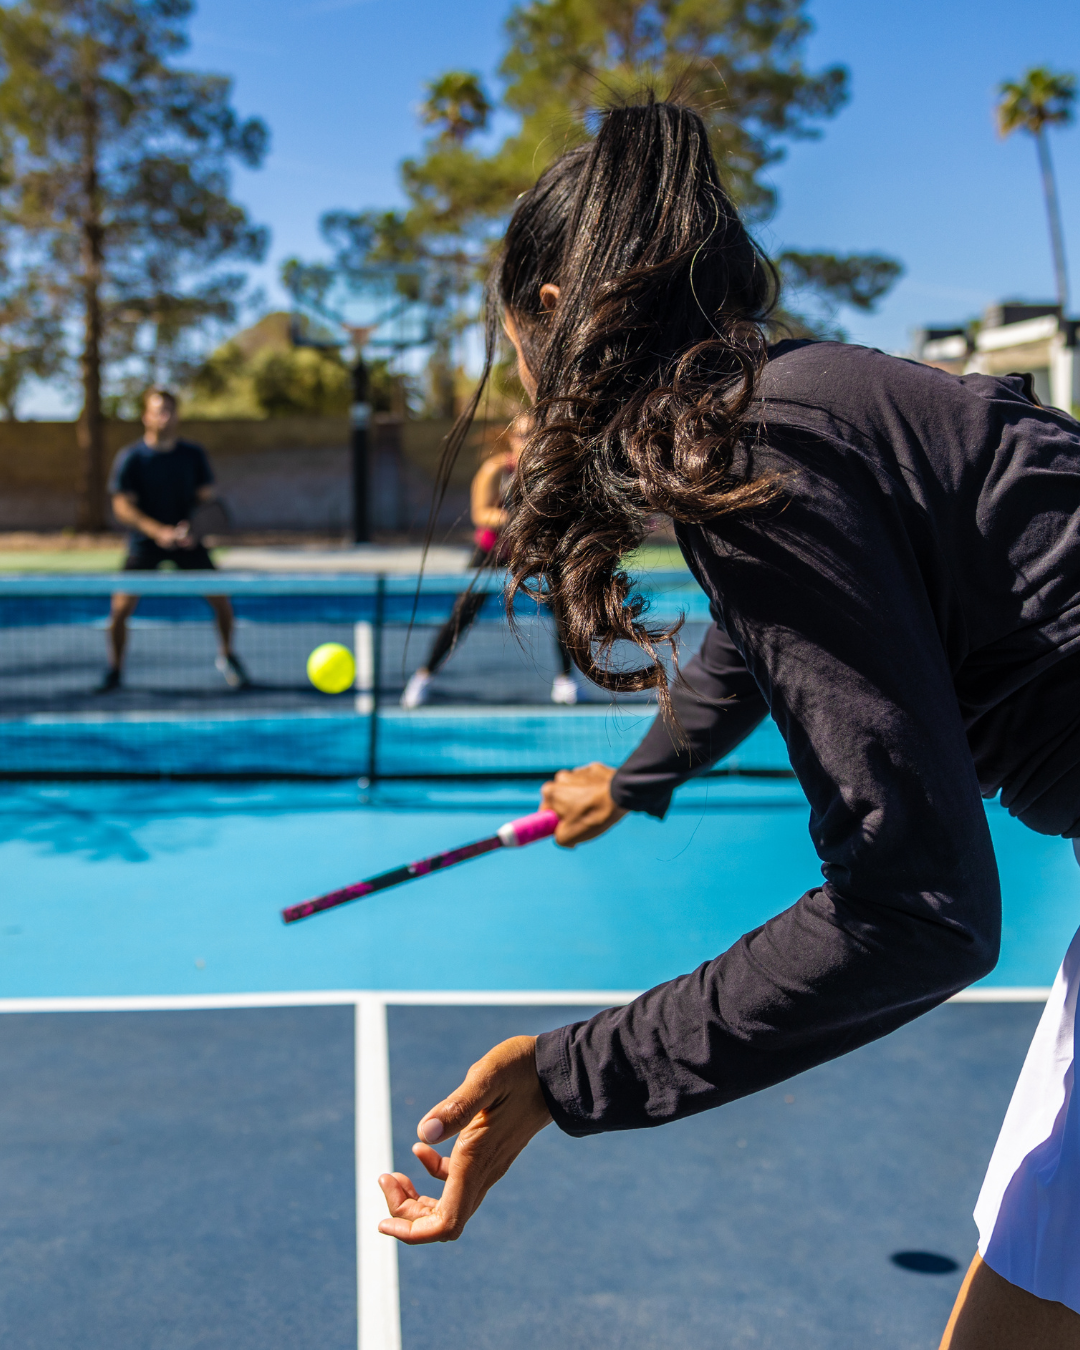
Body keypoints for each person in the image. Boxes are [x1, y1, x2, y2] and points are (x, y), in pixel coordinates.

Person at [375, 100, 1080, 1348]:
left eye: (512, 346)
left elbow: (918, 909)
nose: (526, 392)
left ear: (551, 313)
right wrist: (643, 779)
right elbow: (752, 650)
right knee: (1024, 1293)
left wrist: (565, 1076)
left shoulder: (766, 447)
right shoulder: (799, 410)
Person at [400, 412, 578, 708]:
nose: (529, 440)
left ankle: (565, 681)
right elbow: (480, 513)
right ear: (511, 439)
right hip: (493, 552)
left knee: (563, 611)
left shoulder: (549, 472)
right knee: (462, 614)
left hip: (533, 552)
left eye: (535, 433)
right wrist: (519, 518)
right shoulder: (496, 469)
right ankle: (423, 677)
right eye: (522, 434)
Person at [98, 388, 249, 693]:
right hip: (145, 544)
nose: (164, 415)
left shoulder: (192, 455)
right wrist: (157, 532)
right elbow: (122, 506)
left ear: (177, 416)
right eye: (157, 410)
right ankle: (114, 669)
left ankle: (228, 656)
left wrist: (192, 530)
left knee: (222, 602)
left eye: (169, 410)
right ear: (146, 416)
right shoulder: (132, 458)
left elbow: (208, 500)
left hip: (188, 543)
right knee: (119, 611)